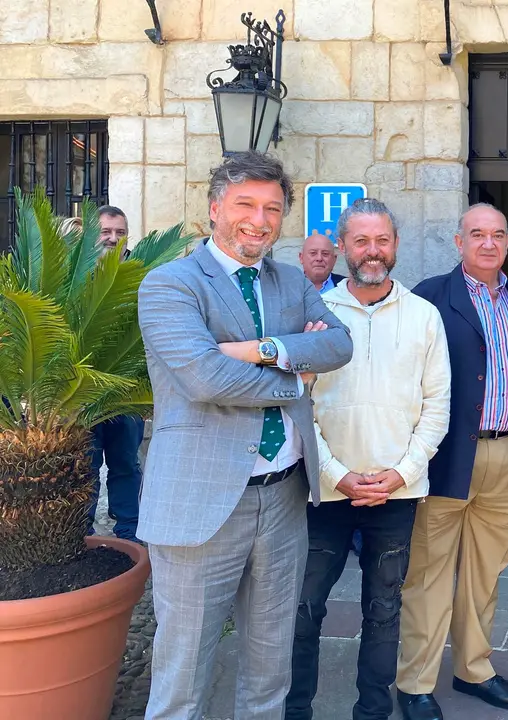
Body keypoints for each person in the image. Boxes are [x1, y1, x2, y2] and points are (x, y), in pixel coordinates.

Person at [136, 151, 354, 720]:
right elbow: (205, 377)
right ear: (214, 209)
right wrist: (295, 379)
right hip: (198, 502)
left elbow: (339, 344)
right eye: (245, 205)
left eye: (273, 209)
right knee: (182, 676)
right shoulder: (171, 284)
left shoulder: (290, 281)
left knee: (269, 669)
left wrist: (264, 350)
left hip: (283, 498)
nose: (259, 220)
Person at [287, 198, 451, 720]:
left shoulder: (425, 317)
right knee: (305, 609)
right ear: (343, 247)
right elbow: (299, 403)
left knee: (384, 611)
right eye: (361, 241)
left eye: (382, 240)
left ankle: (373, 711)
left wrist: (401, 473)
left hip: (396, 492)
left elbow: (437, 405)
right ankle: (295, 710)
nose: (372, 251)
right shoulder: (316, 315)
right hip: (326, 491)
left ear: (396, 246)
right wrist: (338, 474)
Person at [396, 203, 508, 720]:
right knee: (429, 572)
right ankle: (414, 681)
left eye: (497, 235)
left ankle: (474, 668)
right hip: (446, 456)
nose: (487, 243)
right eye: (476, 234)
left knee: (487, 571)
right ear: (458, 242)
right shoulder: (429, 298)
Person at [83, 205, 147, 542]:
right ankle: (82, 534)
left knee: (125, 464)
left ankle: (129, 533)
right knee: (86, 467)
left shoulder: (143, 274)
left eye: (120, 232)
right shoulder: (75, 276)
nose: (113, 238)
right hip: (82, 393)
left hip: (127, 392)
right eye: (106, 232)